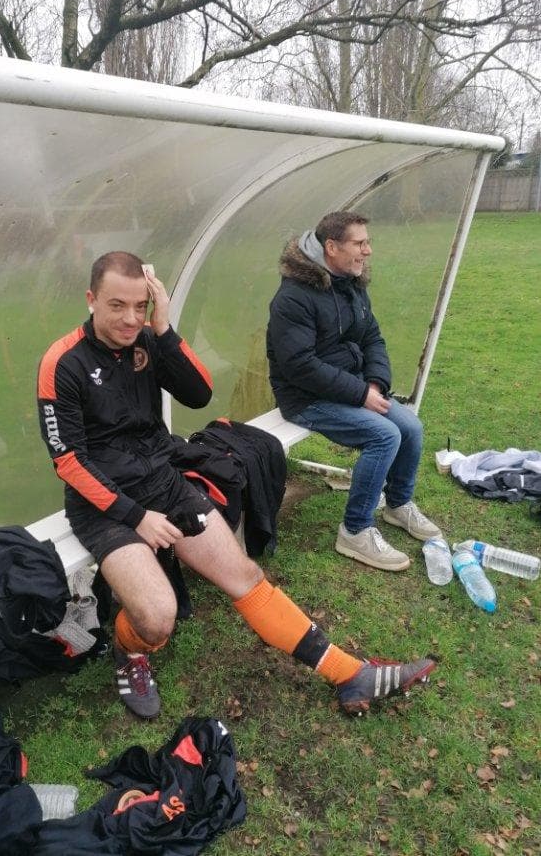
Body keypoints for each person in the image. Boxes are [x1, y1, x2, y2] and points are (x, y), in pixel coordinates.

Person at [37, 251, 435, 720]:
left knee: (244, 577)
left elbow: (199, 392)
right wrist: (136, 517)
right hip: (104, 506)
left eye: (140, 306)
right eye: (116, 306)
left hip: (163, 481)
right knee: (156, 619)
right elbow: (68, 461)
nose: (130, 319)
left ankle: (351, 675)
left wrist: (164, 332)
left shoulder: (148, 339)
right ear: (91, 300)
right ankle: (129, 651)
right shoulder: (62, 361)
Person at [267, 211, 443, 572]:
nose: (368, 251)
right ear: (331, 247)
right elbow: (299, 366)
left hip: (350, 386)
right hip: (305, 397)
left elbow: (372, 337)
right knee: (384, 436)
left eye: (368, 242)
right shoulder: (293, 297)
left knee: (410, 427)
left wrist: (375, 382)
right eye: (360, 243)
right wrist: (361, 393)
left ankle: (397, 504)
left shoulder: (351, 285)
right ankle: (355, 530)